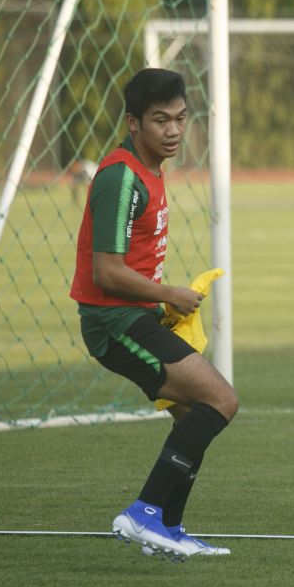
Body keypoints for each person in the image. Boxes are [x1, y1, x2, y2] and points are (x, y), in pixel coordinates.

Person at [70, 68, 239, 560]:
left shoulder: (150, 173)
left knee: (193, 414)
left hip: (133, 316)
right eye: (160, 120)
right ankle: (142, 513)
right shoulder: (121, 177)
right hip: (111, 322)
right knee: (221, 400)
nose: (172, 130)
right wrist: (169, 294)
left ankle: (168, 527)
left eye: (180, 119)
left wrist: (160, 302)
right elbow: (106, 271)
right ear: (132, 123)